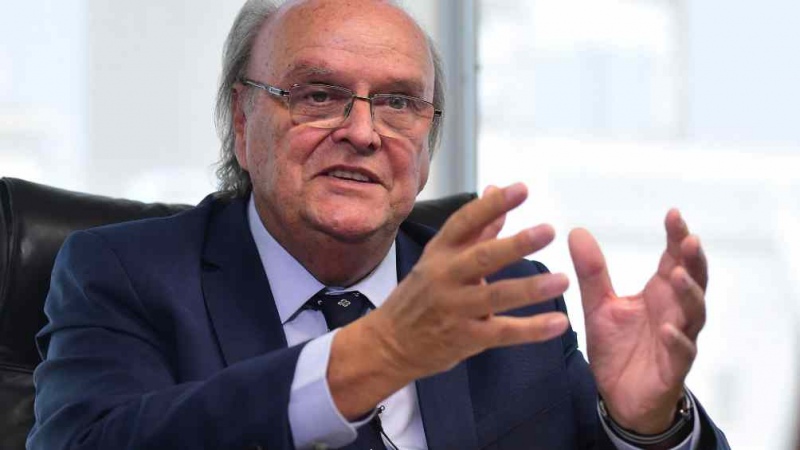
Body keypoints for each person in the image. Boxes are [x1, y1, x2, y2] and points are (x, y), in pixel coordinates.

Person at [28, 0, 730, 449]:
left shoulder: (504, 299)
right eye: (319, 94)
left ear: (427, 146)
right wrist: (368, 358)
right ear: (242, 122)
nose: (363, 132)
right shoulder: (125, 276)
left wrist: (647, 424)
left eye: (398, 103)